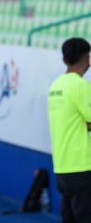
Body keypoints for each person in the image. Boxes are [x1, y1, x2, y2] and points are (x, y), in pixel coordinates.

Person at [47, 37, 91, 223]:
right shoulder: (80, 86)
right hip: (82, 166)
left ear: (64, 60)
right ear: (87, 59)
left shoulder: (55, 86)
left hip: (61, 167)